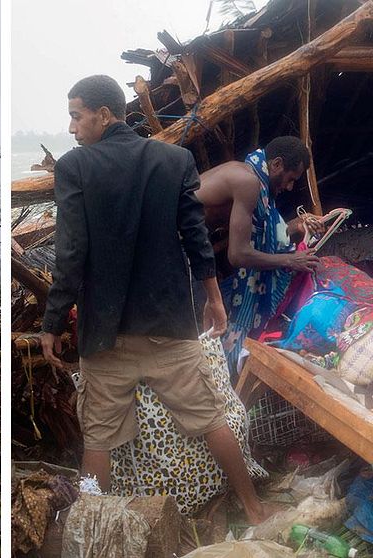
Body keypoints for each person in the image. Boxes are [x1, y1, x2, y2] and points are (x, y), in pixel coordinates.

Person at [39, 74, 273, 524]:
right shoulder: (175, 159)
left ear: (103, 114)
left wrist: (51, 323)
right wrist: (214, 298)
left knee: (99, 438)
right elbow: (195, 238)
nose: (71, 129)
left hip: (106, 336)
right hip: (170, 328)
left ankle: (93, 532)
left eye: (75, 115)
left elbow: (71, 252)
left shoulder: (75, 167)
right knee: (210, 417)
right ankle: (255, 507)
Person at [196, 137, 322, 372]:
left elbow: (270, 231)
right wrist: (289, 259)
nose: (290, 187)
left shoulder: (252, 178)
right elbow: (238, 255)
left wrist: (297, 225)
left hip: (181, 249)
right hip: (169, 247)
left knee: (199, 333)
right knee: (192, 339)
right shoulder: (248, 182)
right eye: (291, 178)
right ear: (276, 164)